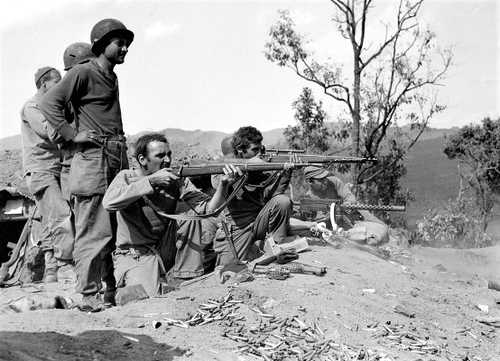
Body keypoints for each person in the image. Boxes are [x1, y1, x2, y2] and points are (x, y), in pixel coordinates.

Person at [39, 18, 134, 311]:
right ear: (102, 45)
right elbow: (48, 103)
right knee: (94, 229)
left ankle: (109, 291)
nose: (125, 48)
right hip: (93, 159)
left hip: (116, 155)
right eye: (119, 42)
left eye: (126, 43)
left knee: (111, 229)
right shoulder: (83, 72)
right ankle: (89, 295)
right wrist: (72, 135)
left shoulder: (111, 76)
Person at [102, 133, 241, 296]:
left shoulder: (177, 180)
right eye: (160, 156)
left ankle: (186, 277)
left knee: (189, 215)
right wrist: (151, 181)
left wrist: (224, 185)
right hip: (137, 253)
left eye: (169, 154)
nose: (167, 160)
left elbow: (208, 209)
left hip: (165, 247)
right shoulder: (127, 176)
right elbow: (109, 203)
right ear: (142, 160)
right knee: (143, 297)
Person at [20, 67, 74, 283]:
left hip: (54, 167)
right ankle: (64, 266)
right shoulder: (32, 107)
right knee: (61, 216)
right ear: (44, 84)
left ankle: (52, 268)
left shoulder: (47, 106)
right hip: (41, 169)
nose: (60, 87)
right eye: (56, 82)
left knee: (49, 219)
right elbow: (49, 132)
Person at [213, 126, 294, 265]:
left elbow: (274, 196)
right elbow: (217, 190)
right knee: (227, 272)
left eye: (261, 149)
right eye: (255, 150)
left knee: (282, 201)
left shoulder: (259, 170)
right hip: (238, 227)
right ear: (240, 150)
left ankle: (277, 248)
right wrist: (246, 168)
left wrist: (286, 174)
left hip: (259, 222)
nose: (260, 154)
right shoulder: (225, 168)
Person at [303, 166, 389, 245]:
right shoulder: (309, 198)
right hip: (339, 226)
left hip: (352, 213)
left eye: (325, 178)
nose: (325, 181)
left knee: (383, 228)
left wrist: (345, 206)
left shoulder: (333, 181)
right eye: (320, 180)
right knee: (371, 238)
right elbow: (314, 222)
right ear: (310, 181)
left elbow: (349, 197)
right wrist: (329, 216)